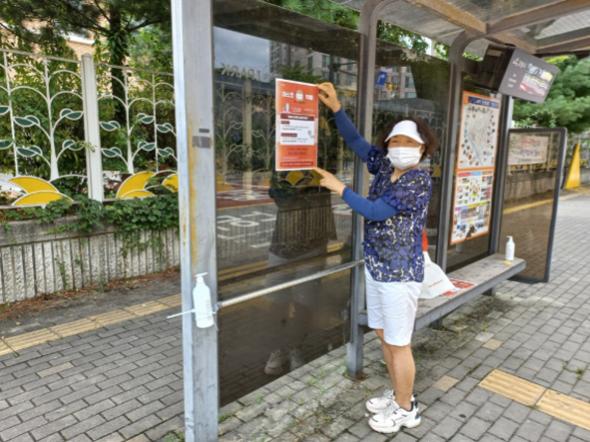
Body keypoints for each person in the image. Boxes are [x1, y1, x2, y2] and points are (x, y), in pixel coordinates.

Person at [314, 82, 437, 434]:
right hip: (378, 268)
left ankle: (406, 408)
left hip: (400, 274)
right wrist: (337, 109)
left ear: (422, 147)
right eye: (395, 141)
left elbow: (375, 211)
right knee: (384, 335)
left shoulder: (417, 180)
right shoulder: (385, 167)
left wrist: (340, 188)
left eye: (408, 142)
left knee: (399, 343)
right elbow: (356, 142)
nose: (400, 147)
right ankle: (399, 393)